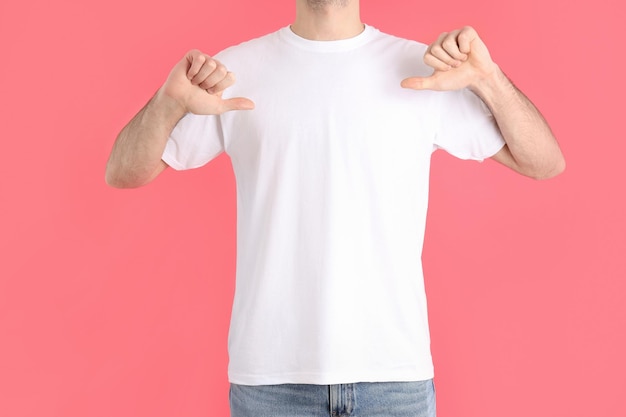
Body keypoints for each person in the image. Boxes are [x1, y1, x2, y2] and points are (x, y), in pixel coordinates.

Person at [105, 0, 565, 416]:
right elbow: (123, 172)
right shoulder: (233, 72)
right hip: (271, 383)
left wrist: (489, 80)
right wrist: (166, 104)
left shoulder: (425, 70)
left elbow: (544, 162)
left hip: (393, 380)